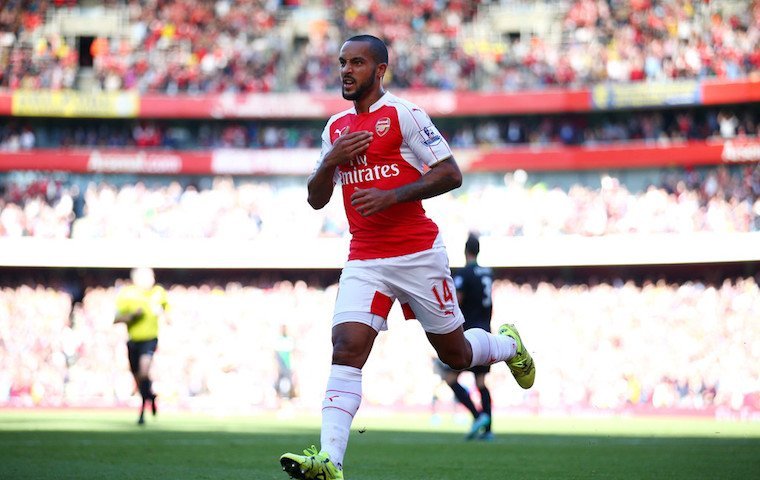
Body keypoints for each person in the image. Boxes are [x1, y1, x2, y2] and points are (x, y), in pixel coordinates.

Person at [279, 35, 535, 480]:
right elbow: (316, 199)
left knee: (456, 355)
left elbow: (450, 173)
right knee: (346, 347)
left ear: (380, 70)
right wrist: (330, 161)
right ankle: (330, 461)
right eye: (342, 62)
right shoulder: (335, 127)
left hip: (417, 253)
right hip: (365, 256)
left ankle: (509, 345)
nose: (346, 70)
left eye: (357, 63)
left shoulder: (404, 115)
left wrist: (393, 195)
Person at [437, 233, 495, 441]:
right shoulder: (487, 273)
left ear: (465, 251)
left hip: (469, 335)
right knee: (480, 381)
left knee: (450, 378)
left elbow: (457, 301)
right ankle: (488, 431)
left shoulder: (465, 274)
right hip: (486, 332)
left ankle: (478, 416)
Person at [113, 267, 167, 425]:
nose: (152, 280)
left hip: (150, 339)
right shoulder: (127, 294)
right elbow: (116, 319)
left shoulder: (159, 293)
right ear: (137, 279)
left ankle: (143, 410)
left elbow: (168, 312)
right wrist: (132, 316)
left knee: (144, 371)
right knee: (137, 378)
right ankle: (150, 396)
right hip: (133, 341)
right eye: (148, 277)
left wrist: (162, 314)